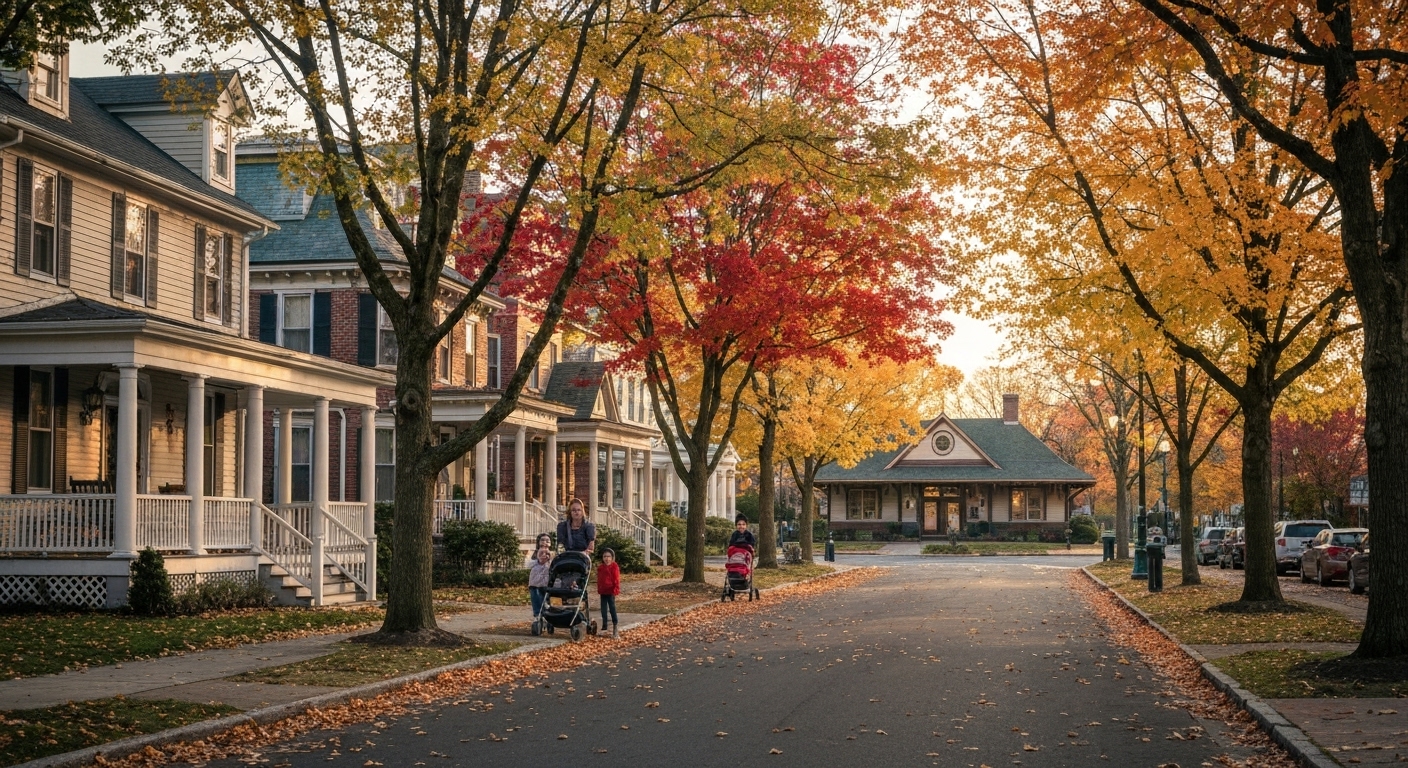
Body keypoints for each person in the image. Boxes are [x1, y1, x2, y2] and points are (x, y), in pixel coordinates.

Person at [597, 547, 621, 639]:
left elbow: (616, 579)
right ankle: (604, 625)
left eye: (608, 556)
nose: (607, 558)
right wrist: (599, 588)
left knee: (612, 609)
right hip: (603, 591)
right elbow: (599, 580)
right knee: (603, 610)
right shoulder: (601, 568)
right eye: (605, 556)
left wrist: (615, 589)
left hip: (611, 591)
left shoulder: (614, 567)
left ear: (612, 557)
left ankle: (615, 626)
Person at [528, 547, 551, 620]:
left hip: (546, 586)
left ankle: (547, 614)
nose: (544, 555)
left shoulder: (550, 565)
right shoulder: (534, 564)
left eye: (547, 554)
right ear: (537, 555)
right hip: (534, 586)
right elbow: (527, 563)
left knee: (546, 600)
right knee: (536, 598)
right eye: (541, 553)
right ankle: (537, 615)